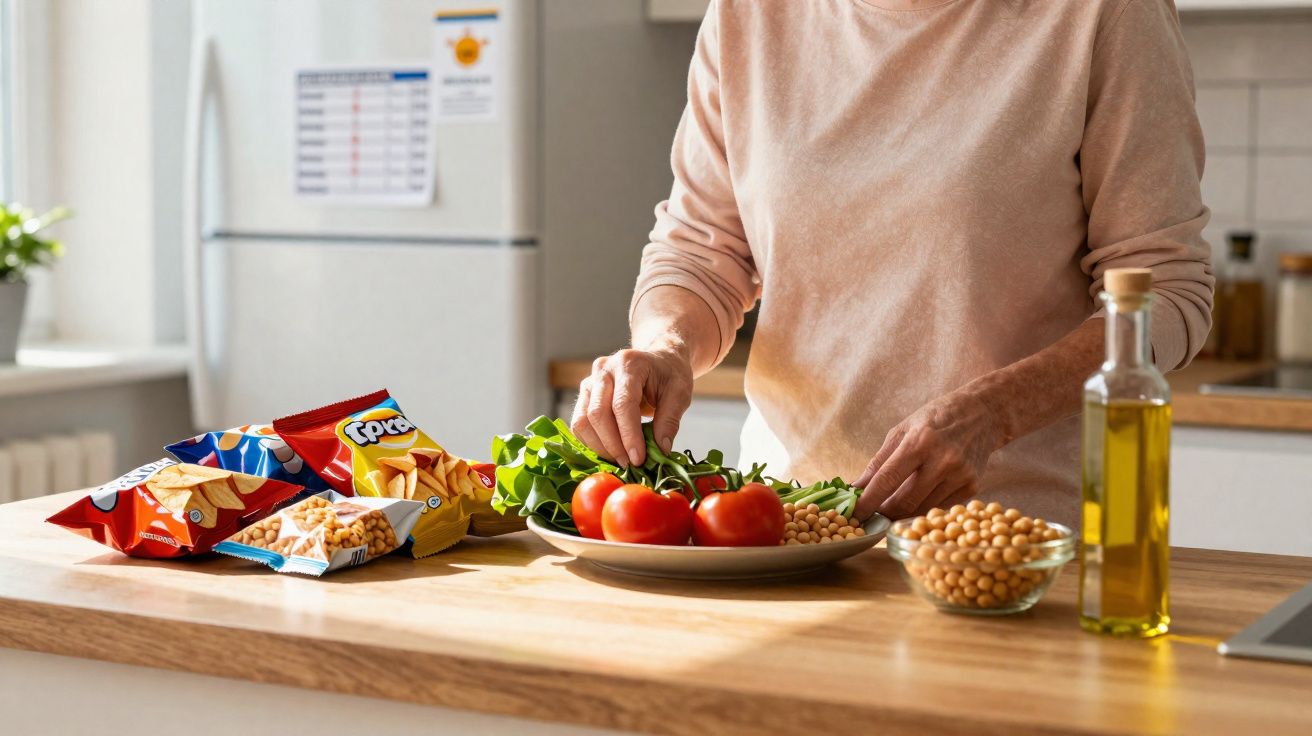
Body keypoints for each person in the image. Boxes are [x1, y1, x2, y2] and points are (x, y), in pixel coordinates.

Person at [569, 0, 1213, 529]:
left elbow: (1166, 292)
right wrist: (665, 346)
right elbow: (702, 250)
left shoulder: (1103, 13)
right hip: (783, 526)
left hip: (1008, 542)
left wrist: (994, 412)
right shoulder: (749, 15)